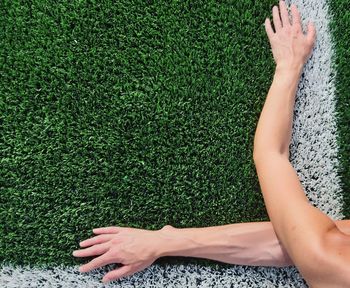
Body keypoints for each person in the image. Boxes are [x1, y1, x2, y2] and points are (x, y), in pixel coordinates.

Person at [72, 1, 350, 286]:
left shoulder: (329, 259)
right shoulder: (329, 258)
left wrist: (288, 68)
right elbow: (299, 243)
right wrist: (166, 241)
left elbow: (271, 157)